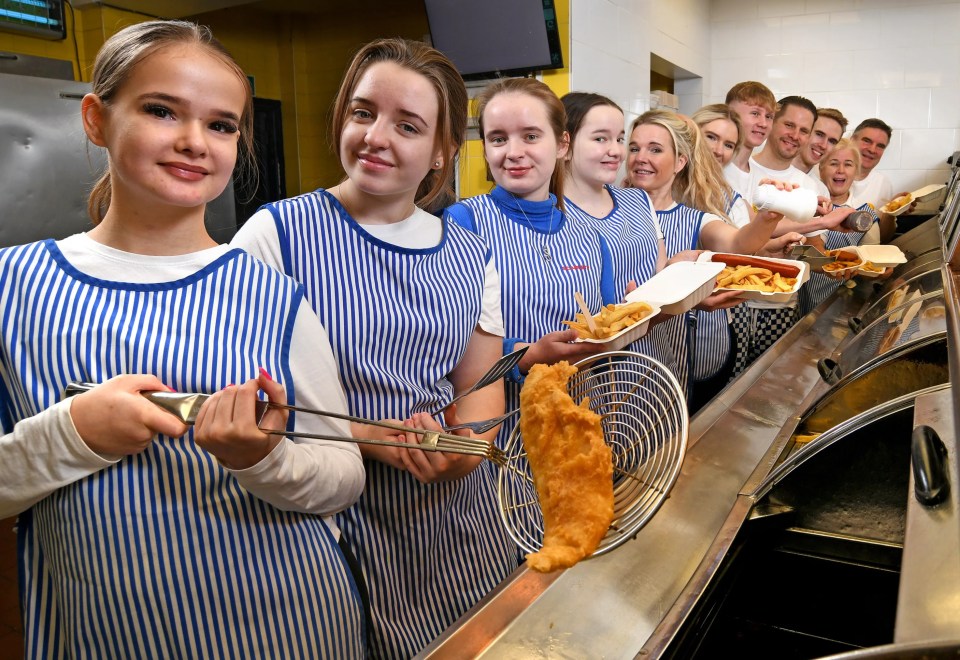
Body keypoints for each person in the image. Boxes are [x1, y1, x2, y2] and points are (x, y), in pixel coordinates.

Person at [0, 20, 366, 658]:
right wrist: (72, 434)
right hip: (100, 631)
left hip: (290, 625)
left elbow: (343, 476)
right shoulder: (12, 285)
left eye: (222, 125)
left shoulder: (272, 294)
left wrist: (263, 460)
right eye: (161, 110)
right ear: (96, 119)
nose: (195, 142)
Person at [231, 38, 517, 658]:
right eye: (363, 113)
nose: (375, 137)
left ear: (443, 151)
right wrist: (367, 435)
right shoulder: (275, 234)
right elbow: (247, 400)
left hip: (456, 515)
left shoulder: (471, 252)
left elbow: (480, 385)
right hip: (333, 517)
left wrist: (463, 452)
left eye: (407, 125)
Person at [445, 78, 613, 428]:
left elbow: (607, 328)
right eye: (498, 138)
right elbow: (448, 338)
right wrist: (526, 355)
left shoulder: (588, 235)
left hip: (578, 417)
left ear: (562, 144)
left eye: (531, 136)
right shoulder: (465, 222)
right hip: (500, 427)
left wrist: (644, 314)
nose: (513, 152)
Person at [624, 109, 797, 398]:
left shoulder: (695, 219)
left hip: (669, 357)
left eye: (655, 149)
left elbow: (739, 244)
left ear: (680, 161)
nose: (641, 157)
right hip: (613, 358)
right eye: (633, 148)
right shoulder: (608, 212)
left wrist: (768, 215)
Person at [558, 91, 678, 375]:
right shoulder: (553, 215)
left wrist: (688, 274)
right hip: (588, 374)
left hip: (652, 363)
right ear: (566, 143)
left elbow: (661, 274)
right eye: (601, 138)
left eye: (620, 139)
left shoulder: (638, 200)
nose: (617, 151)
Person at [800, 138, 881, 314]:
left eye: (848, 164)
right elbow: (804, 253)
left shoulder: (865, 214)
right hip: (804, 301)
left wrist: (879, 269)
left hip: (844, 303)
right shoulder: (807, 208)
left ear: (856, 171)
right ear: (820, 168)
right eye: (833, 163)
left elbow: (871, 263)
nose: (841, 170)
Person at [849, 118, 914, 241]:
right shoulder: (829, 175)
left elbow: (883, 238)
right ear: (852, 140)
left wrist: (890, 212)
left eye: (880, 146)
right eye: (867, 141)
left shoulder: (883, 183)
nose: (872, 150)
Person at [724, 81, 776, 198]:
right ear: (731, 114)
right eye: (755, 113)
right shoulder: (713, 169)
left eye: (769, 117)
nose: (764, 124)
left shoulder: (762, 179)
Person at [794, 107, 847, 174]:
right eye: (819, 135)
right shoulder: (777, 169)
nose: (823, 146)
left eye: (831, 141)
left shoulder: (815, 184)